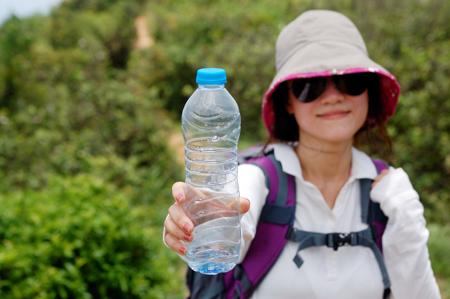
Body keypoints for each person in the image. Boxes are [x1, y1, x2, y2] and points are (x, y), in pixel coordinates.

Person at [163, 9, 441, 299]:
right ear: (288, 102)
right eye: (311, 86)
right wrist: (193, 224)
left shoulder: (392, 193)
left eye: (351, 82)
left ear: (369, 92)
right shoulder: (258, 179)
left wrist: (407, 215)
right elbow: (233, 215)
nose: (333, 96)